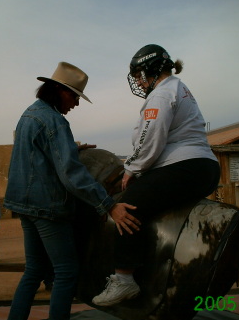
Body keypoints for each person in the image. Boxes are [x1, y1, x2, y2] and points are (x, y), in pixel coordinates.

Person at [4, 62, 140, 320]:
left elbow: (34, 157)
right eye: (73, 95)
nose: (76, 103)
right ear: (57, 89)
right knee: (66, 272)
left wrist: (71, 150)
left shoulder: (29, 114)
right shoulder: (56, 122)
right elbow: (71, 175)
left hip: (24, 205)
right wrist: (109, 204)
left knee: (33, 271)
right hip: (48, 208)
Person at [92, 44, 220, 306]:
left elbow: (150, 139)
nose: (138, 81)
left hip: (186, 165)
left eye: (140, 74)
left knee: (127, 205)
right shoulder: (176, 87)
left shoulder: (162, 94)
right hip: (200, 165)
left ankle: (124, 278)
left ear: (152, 68)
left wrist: (131, 168)